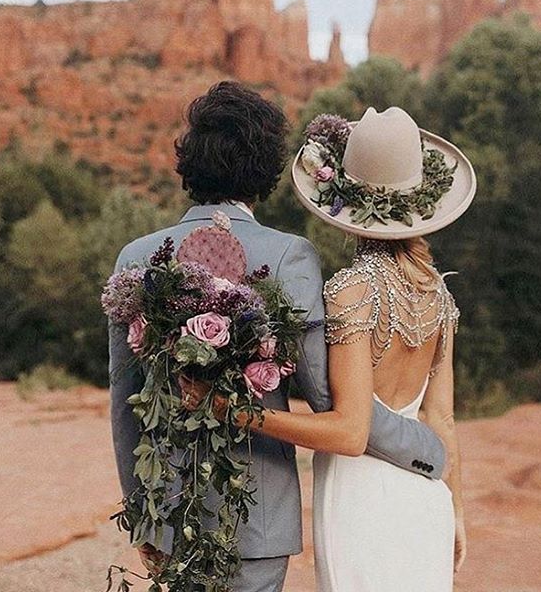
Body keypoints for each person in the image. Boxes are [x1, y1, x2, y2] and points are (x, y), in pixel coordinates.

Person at [108, 81, 448, 592]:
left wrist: (144, 513)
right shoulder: (289, 256)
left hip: (169, 516)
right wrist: (426, 447)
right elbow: (329, 395)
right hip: (257, 524)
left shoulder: (135, 258)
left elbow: (125, 403)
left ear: (189, 162)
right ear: (266, 169)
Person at [183, 105, 476, 590]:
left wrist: (235, 413)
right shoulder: (439, 294)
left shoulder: (350, 291)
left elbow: (348, 432)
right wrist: (458, 510)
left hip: (364, 498)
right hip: (429, 500)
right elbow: (441, 419)